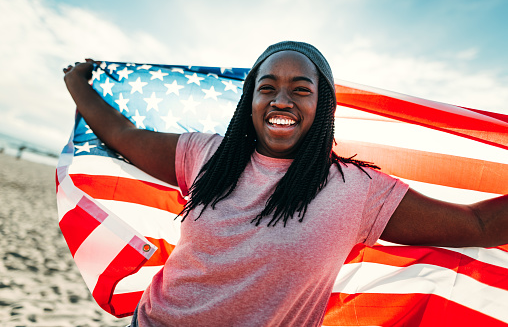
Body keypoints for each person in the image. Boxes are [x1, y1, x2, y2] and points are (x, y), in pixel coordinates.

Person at [64, 41, 508, 327]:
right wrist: (77, 84)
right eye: (267, 86)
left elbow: (479, 226)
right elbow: (122, 136)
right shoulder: (205, 154)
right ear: (251, 99)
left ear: (323, 105)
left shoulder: (357, 190)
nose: (281, 100)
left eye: (301, 89)